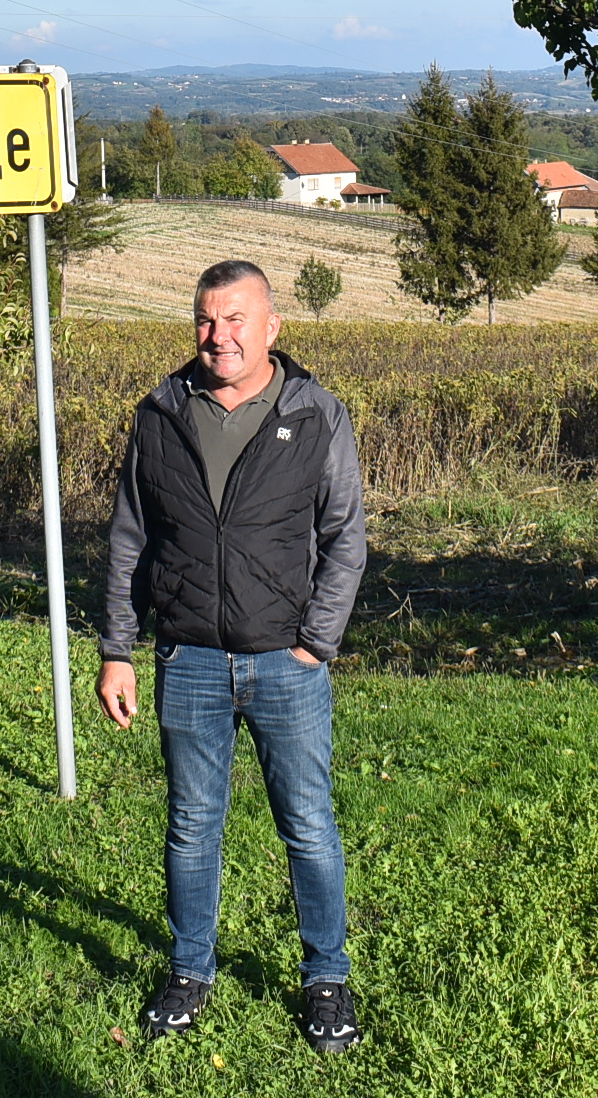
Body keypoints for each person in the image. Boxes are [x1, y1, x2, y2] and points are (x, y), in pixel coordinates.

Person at [95, 258, 368, 1055]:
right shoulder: (161, 414)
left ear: (272, 326)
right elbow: (129, 539)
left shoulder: (316, 415)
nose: (218, 336)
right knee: (191, 826)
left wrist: (316, 642)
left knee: (308, 824)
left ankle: (326, 978)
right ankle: (189, 970)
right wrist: (118, 650)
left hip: (287, 664)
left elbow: (344, 538)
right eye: (206, 320)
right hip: (189, 660)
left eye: (235, 318)